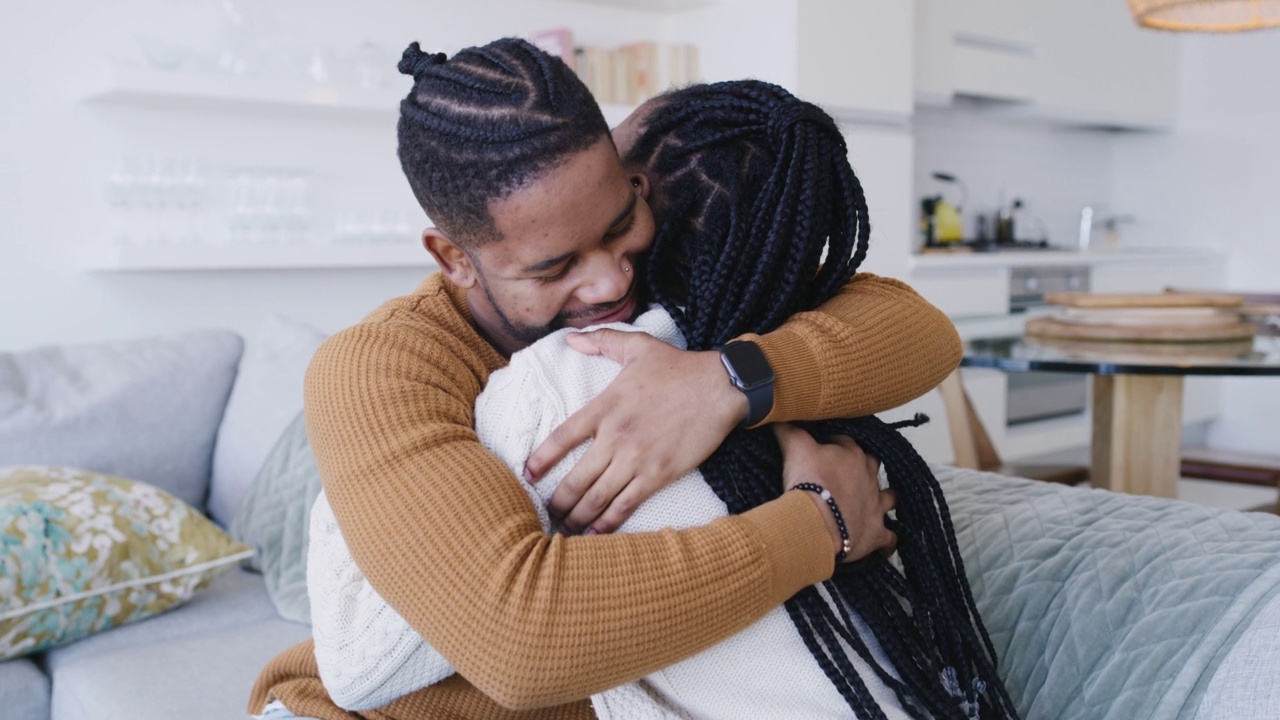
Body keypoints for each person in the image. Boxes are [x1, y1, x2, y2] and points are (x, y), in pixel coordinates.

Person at [250, 37, 963, 719]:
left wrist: (723, 380)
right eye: (555, 267)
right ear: (455, 259)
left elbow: (922, 331)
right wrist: (818, 523)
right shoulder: (379, 367)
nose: (610, 279)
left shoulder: (664, 281)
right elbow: (521, 643)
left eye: (622, 222)